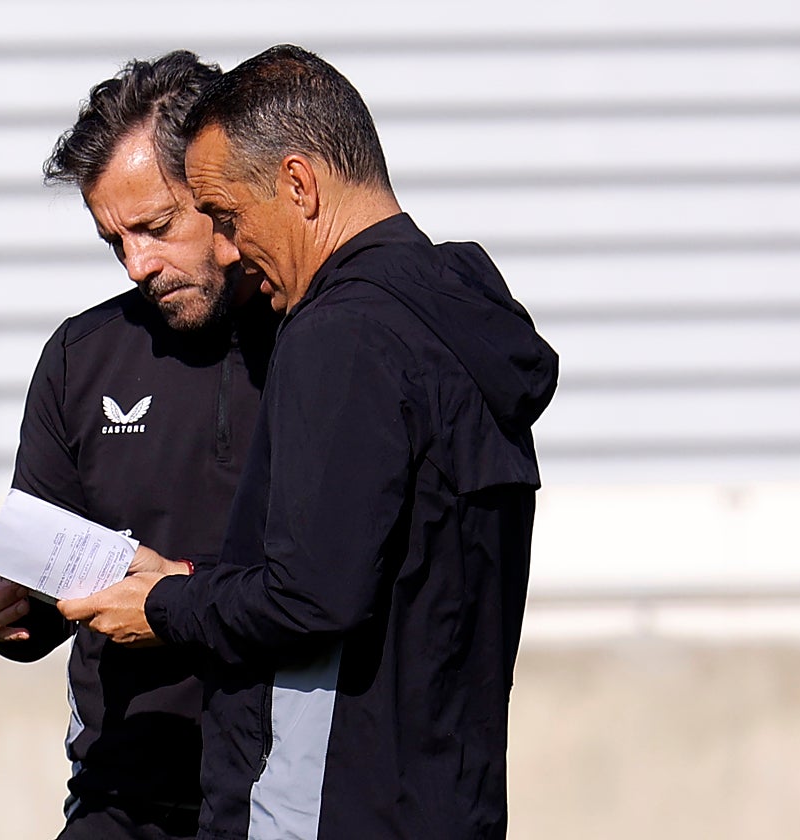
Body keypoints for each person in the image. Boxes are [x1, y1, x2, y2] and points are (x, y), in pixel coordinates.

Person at [59, 45, 559, 839]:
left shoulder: (340, 333)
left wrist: (164, 601)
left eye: (226, 216)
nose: (226, 248)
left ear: (299, 184)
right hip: (447, 801)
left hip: (328, 807)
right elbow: (370, 573)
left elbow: (308, 598)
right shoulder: (454, 312)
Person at [0, 51, 278, 840]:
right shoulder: (81, 356)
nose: (139, 265)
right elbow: (53, 591)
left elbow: (327, 581)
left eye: (156, 228)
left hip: (286, 788)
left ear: (221, 187)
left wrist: (176, 593)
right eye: (113, 241)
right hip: (121, 793)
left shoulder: (320, 343)